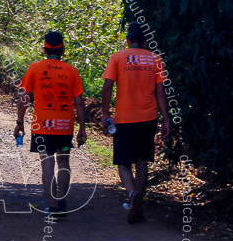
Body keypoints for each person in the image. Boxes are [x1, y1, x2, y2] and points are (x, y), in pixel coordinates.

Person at [101, 22, 170, 224]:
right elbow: (161, 93)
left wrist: (105, 112)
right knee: (142, 161)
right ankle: (137, 206)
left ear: (128, 40)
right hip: (148, 118)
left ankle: (131, 194)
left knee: (123, 162)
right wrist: (166, 118)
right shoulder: (155, 59)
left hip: (124, 118)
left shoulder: (117, 57)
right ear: (145, 41)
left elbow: (107, 86)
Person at [16, 31, 86, 215]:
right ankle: (62, 202)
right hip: (64, 126)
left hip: (43, 126)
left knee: (47, 162)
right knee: (63, 161)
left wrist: (20, 122)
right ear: (63, 49)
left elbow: (24, 97)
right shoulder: (71, 71)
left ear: (44, 49)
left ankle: (52, 206)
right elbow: (79, 102)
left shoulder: (35, 68)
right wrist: (82, 129)